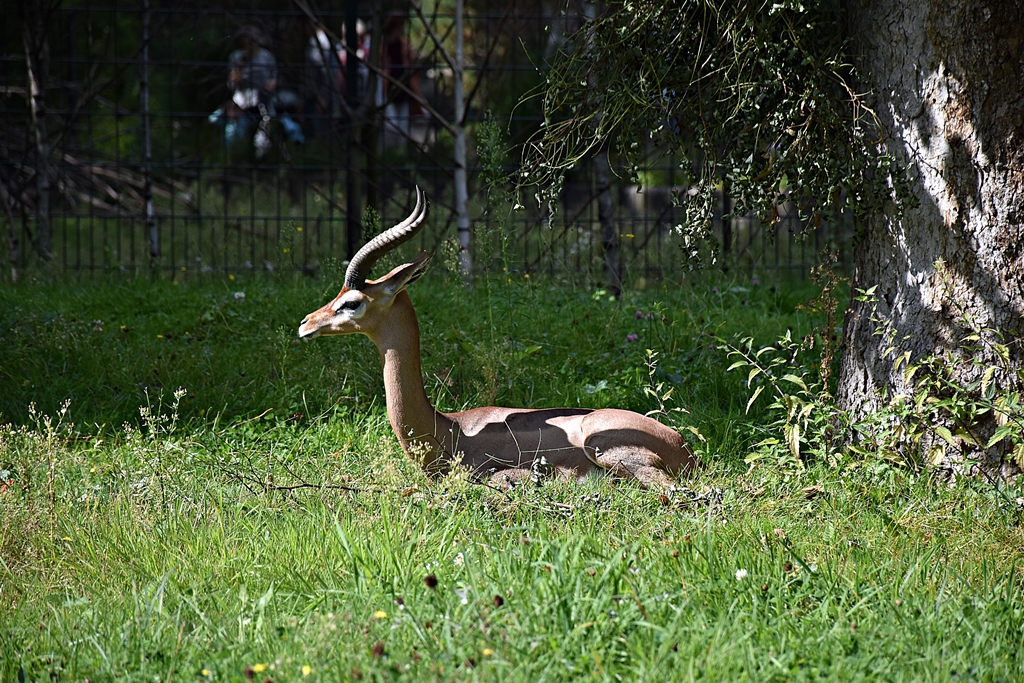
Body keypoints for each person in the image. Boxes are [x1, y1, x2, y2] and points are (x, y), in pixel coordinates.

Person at [209, 25, 304, 156]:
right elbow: (231, 84)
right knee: (225, 126)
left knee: (276, 125)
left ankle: (268, 154)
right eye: (247, 39)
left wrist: (272, 84)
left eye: (253, 39)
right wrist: (236, 75)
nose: (250, 42)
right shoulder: (237, 57)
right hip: (242, 103)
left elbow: (275, 78)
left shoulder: (267, 57)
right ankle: (232, 156)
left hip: (264, 101)